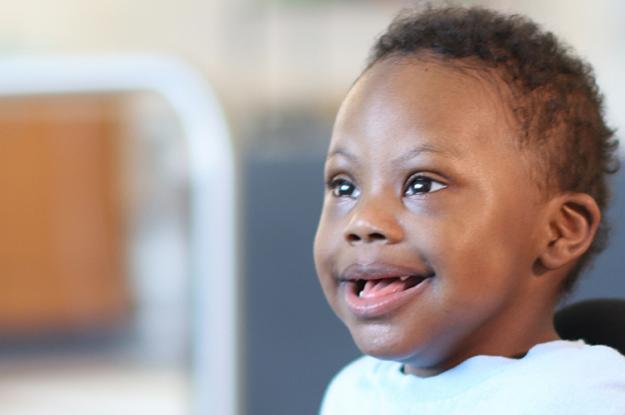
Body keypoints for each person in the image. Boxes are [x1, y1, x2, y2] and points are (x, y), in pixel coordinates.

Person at [313, 5, 625, 414]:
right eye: (344, 186)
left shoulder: (585, 397)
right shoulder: (350, 394)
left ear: (558, 231)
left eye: (421, 184)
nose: (363, 221)